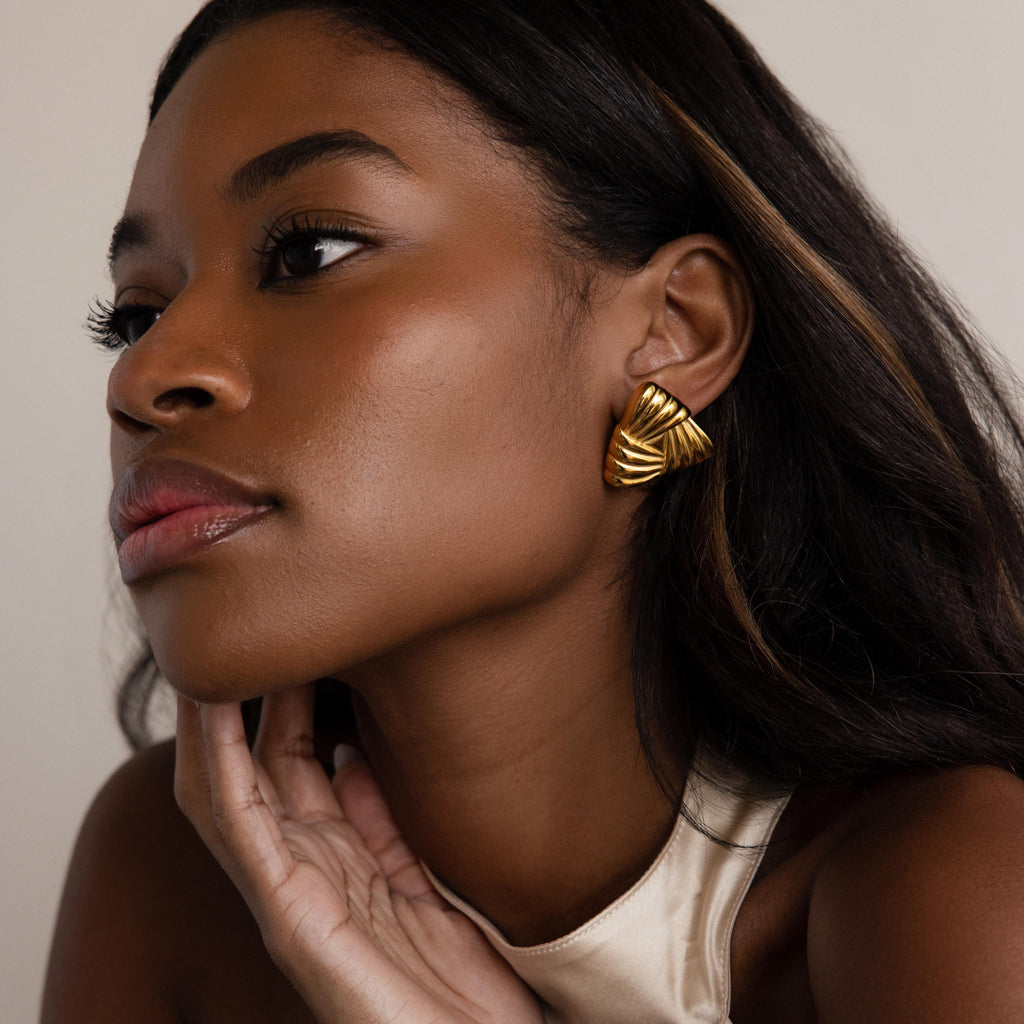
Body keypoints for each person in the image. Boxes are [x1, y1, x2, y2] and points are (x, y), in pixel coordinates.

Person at [41, 1, 1024, 1021]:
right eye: (137, 313)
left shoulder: (946, 886)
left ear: (672, 333)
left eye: (310, 251)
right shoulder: (174, 874)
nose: (147, 374)